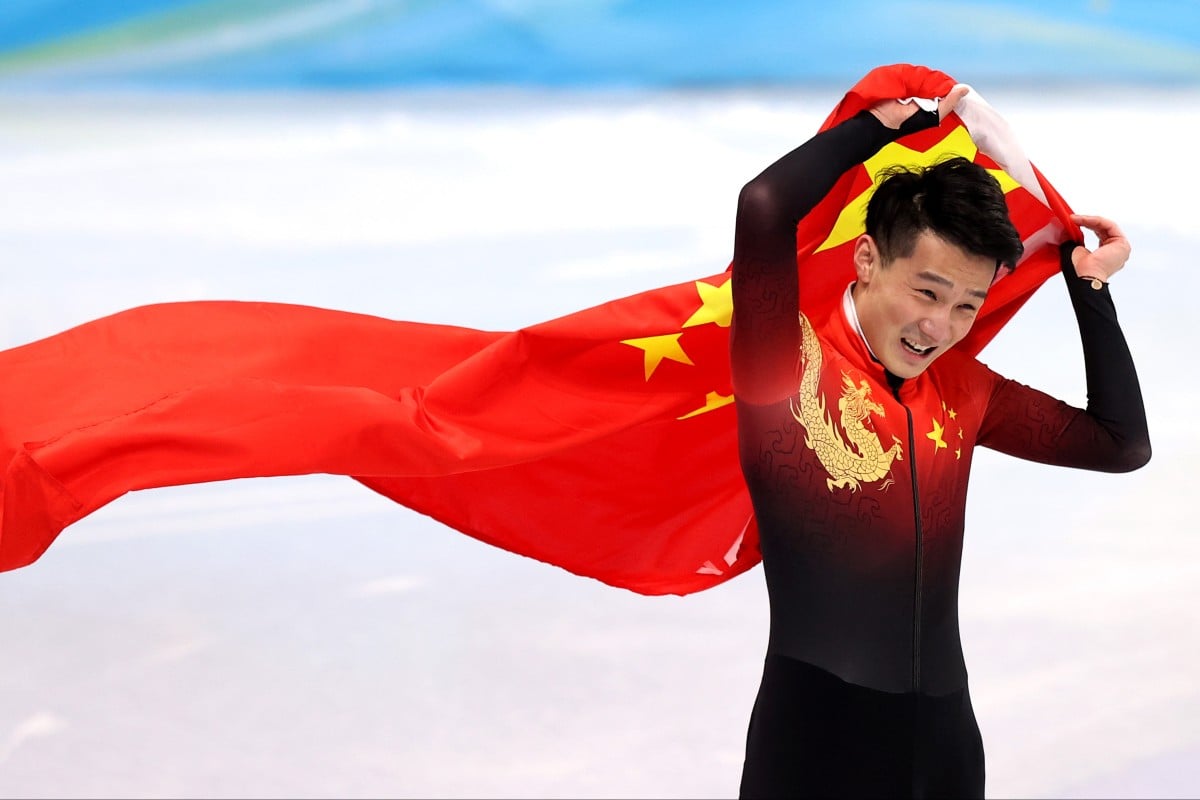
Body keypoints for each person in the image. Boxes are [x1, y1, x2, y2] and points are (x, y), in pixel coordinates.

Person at [730, 86, 1150, 797]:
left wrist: (1088, 289)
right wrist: (879, 126)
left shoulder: (962, 388)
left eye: (966, 305)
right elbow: (763, 207)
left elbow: (1118, 443)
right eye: (926, 293)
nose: (940, 327)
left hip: (947, 745)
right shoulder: (784, 366)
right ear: (867, 260)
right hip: (818, 743)